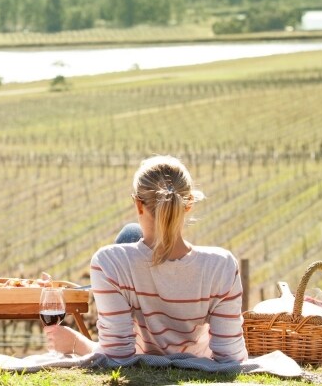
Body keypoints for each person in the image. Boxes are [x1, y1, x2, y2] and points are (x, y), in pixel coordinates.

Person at [44, 155, 248, 363]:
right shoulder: (222, 265)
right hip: (200, 360)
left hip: (139, 350)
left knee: (130, 233)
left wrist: (76, 343)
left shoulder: (109, 263)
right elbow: (232, 358)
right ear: (189, 205)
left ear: (138, 204)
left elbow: (116, 357)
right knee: (131, 233)